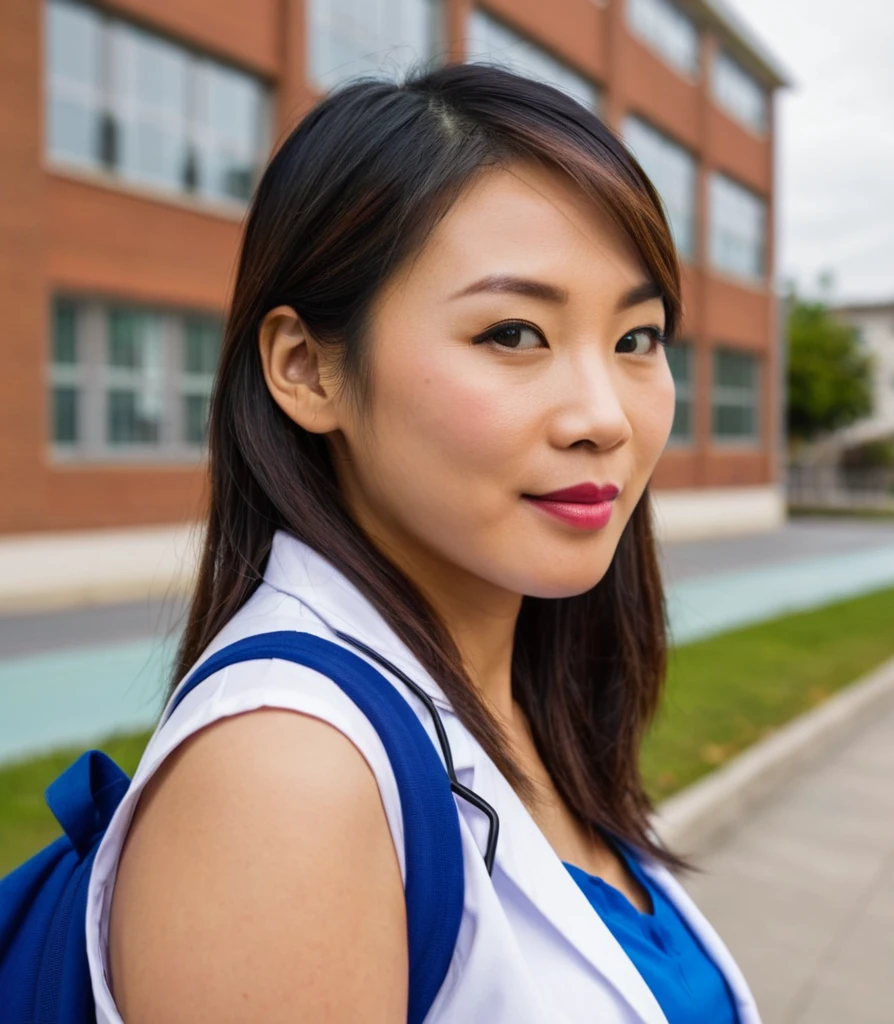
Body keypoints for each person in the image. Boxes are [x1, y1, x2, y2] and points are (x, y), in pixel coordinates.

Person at [84, 63, 761, 1023]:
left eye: (638, 338)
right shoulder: (287, 778)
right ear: (306, 368)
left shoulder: (532, 696)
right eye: (515, 332)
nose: (604, 417)